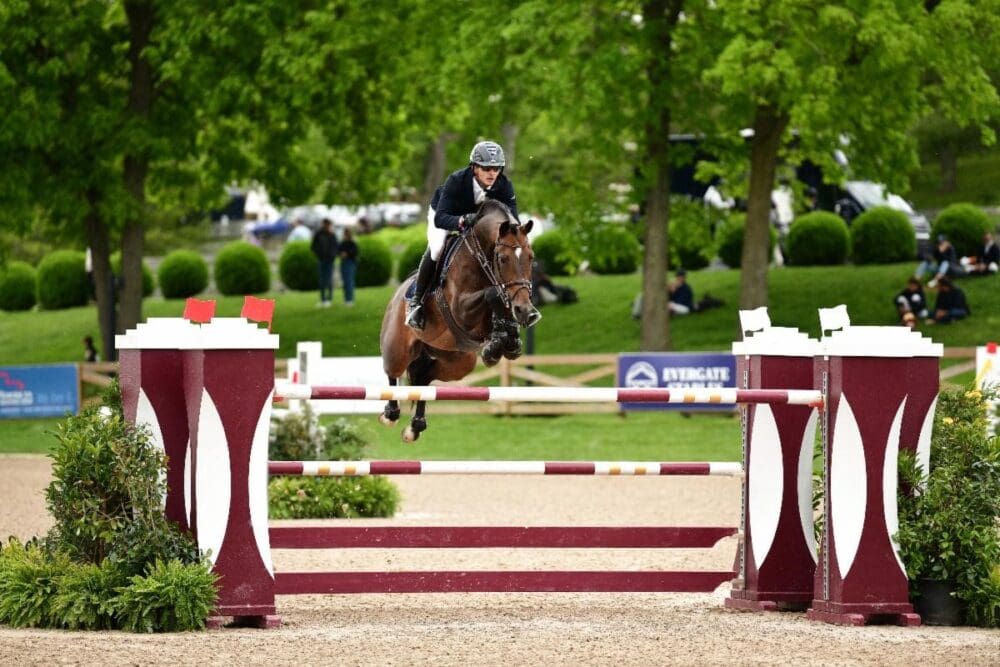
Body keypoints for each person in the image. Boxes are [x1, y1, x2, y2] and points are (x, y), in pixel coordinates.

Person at [405, 140, 519, 330]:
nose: (492, 173)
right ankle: (417, 302)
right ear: (474, 167)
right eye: (487, 168)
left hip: (477, 224)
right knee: (437, 248)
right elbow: (440, 218)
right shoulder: (456, 181)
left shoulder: (504, 185)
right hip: (447, 215)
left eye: (497, 168)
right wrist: (462, 220)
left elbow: (513, 219)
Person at [311, 218, 338, 307]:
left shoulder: (332, 235)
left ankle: (329, 299)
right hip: (321, 260)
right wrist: (319, 255)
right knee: (322, 280)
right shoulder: (318, 234)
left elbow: (336, 247)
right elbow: (313, 247)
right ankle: (323, 299)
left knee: (329, 279)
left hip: (329, 261)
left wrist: (332, 256)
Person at [338, 228, 359, 306]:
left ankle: (350, 299)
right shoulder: (342, 243)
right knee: (345, 281)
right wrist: (341, 254)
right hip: (344, 263)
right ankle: (346, 299)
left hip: (350, 263)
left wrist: (347, 254)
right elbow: (338, 251)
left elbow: (355, 252)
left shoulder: (352, 243)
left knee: (349, 281)